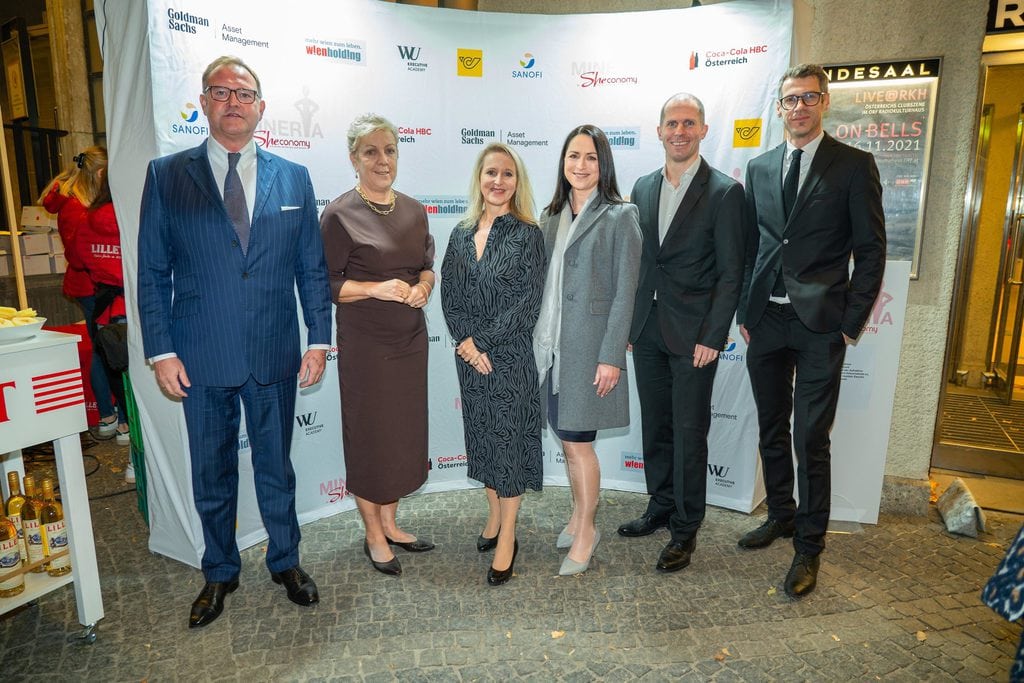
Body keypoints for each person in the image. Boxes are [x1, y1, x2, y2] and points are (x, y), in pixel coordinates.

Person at [137, 55, 332, 628]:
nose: (233, 102)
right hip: (200, 355)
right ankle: (219, 570)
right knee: (211, 472)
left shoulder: (293, 177)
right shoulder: (166, 175)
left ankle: (285, 560)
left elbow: (312, 268)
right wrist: (161, 351)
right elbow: (153, 272)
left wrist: (319, 339)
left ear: (261, 108)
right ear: (203, 103)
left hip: (274, 350)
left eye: (244, 94)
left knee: (276, 468)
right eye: (220, 92)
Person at [736, 63, 886, 597]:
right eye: (790, 99)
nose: (798, 107)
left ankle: (809, 545)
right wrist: (746, 310)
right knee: (771, 427)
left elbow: (871, 251)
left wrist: (849, 323)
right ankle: (781, 513)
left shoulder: (853, 166)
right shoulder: (759, 167)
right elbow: (751, 246)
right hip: (766, 321)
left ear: (824, 102)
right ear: (779, 107)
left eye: (808, 97)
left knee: (810, 438)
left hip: (822, 325)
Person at [616, 94, 746, 573]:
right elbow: (640, 261)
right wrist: (630, 323)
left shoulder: (725, 192)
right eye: (672, 123)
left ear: (703, 130)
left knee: (690, 433)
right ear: (659, 131)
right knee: (657, 426)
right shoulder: (643, 186)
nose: (680, 131)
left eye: (689, 123)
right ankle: (661, 505)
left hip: (695, 337)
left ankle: (686, 528)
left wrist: (713, 335)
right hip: (648, 329)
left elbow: (732, 273)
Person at [319, 113, 435, 578]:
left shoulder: (414, 210)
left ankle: (391, 523)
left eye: (389, 150)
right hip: (366, 346)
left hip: (410, 341)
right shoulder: (338, 215)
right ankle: (372, 533)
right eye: (371, 152)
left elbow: (426, 265)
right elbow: (327, 284)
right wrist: (374, 288)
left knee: (401, 435)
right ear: (354, 158)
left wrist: (424, 287)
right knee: (371, 436)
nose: (382, 160)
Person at [534, 124, 642, 576]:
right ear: (563, 162)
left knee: (579, 445)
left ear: (604, 165)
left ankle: (588, 532)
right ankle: (578, 517)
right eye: (573, 156)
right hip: (552, 349)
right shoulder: (549, 217)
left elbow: (625, 292)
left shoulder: (620, 216)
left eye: (591, 157)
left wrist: (611, 356)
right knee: (567, 439)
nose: (581, 166)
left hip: (590, 351)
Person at [441, 143, 546, 586]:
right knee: (483, 439)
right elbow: (450, 294)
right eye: (491, 173)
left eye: (507, 174)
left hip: (510, 358)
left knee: (509, 445)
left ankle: (508, 537)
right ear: (479, 179)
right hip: (470, 359)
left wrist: (481, 342)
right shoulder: (460, 233)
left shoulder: (529, 233)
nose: (498, 181)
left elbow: (528, 303)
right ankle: (494, 516)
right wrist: (467, 344)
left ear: (517, 182)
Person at [41, 147, 125, 444]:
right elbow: (80, 256)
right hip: (95, 289)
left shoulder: (77, 204)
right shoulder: (79, 209)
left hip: (93, 287)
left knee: (104, 349)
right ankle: (113, 417)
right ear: (101, 174)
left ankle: (111, 416)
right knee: (107, 351)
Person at [76, 162, 135, 482]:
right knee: (143, 394)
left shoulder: (88, 219)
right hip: (134, 311)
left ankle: (125, 439)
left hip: (105, 315)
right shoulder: (133, 217)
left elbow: (79, 259)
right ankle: (137, 458)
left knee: (119, 385)